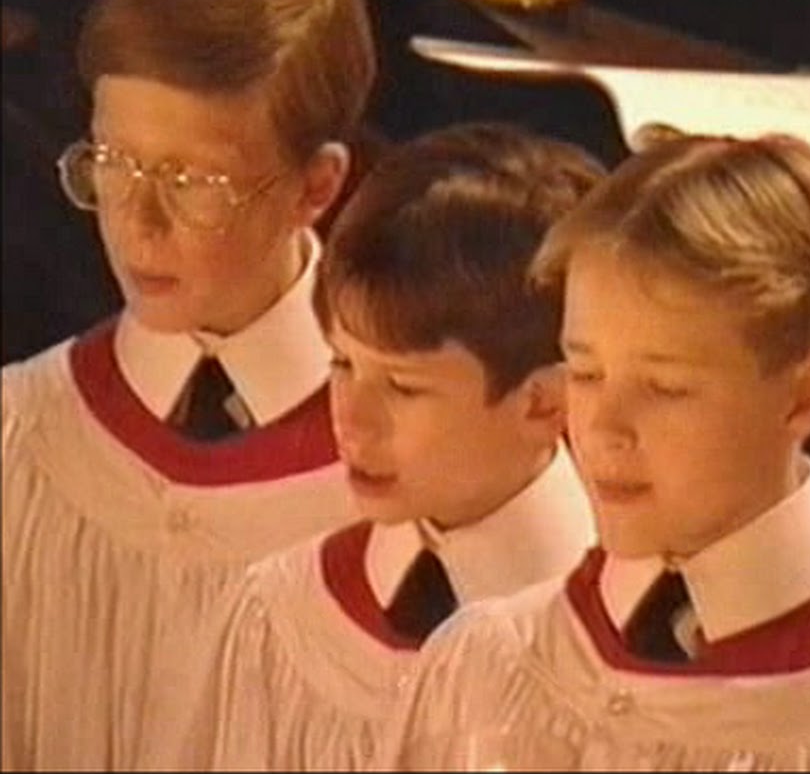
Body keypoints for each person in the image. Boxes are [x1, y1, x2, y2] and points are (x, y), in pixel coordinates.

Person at [380, 134, 810, 772]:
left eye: (665, 388)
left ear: (805, 396)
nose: (603, 429)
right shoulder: (481, 665)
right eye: (586, 373)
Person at [1, 0, 378, 771]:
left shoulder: (400, 473)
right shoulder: (24, 440)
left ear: (316, 187)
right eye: (112, 163)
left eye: (194, 180)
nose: (138, 222)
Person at [150, 122, 604, 771]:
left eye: (403, 387)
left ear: (545, 404)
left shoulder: (626, 655)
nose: (351, 421)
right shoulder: (282, 615)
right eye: (342, 364)